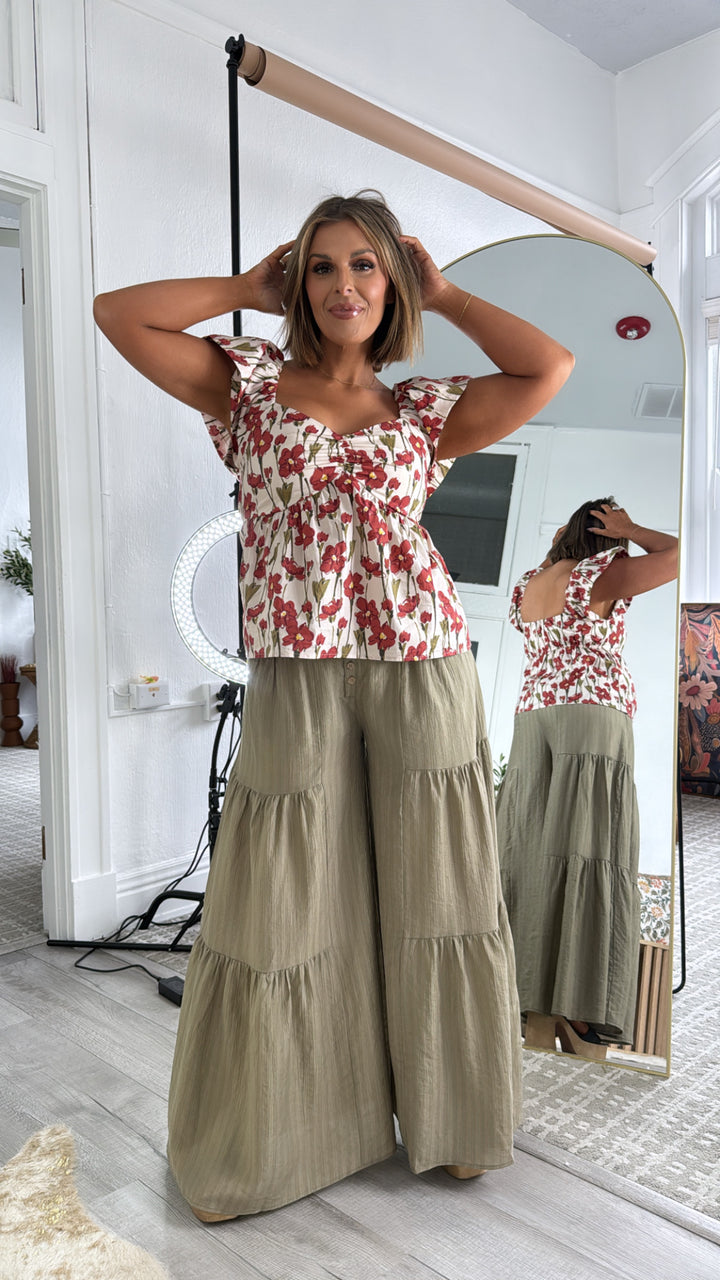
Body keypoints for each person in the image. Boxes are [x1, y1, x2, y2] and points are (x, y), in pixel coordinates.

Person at [93, 191, 574, 1218]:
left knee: (438, 887)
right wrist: (243, 288)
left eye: (366, 264)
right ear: (297, 281)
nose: (344, 283)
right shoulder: (248, 386)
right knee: (283, 893)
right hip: (300, 667)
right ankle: (274, 1142)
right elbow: (117, 313)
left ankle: (452, 1118)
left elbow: (550, 366)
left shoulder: (424, 410)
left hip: (422, 659)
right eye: (322, 265)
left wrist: (445, 294)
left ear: (392, 282)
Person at [496, 499, 678, 1060]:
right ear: (605, 532)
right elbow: (678, 556)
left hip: (533, 720)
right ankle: (579, 1005)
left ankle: (528, 1002)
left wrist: (562, 544)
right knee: (593, 849)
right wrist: (633, 529)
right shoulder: (600, 573)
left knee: (531, 854)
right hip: (590, 715)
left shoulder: (528, 585)